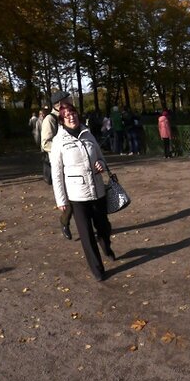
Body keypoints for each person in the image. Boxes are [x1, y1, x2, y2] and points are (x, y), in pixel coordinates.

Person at [49, 101, 116, 282]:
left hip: (98, 190)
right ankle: (97, 270)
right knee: (86, 234)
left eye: (73, 113)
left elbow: (101, 158)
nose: (72, 117)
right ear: (62, 121)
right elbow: (56, 173)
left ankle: (107, 247)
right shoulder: (58, 142)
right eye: (67, 115)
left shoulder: (88, 134)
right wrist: (61, 200)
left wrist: (101, 164)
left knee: (103, 228)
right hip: (77, 195)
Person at [42, 91, 74, 240]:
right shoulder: (50, 119)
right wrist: (62, 148)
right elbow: (45, 143)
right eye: (68, 98)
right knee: (69, 201)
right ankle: (64, 222)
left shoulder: (69, 115)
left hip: (74, 163)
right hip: (60, 166)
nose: (71, 100)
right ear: (60, 103)